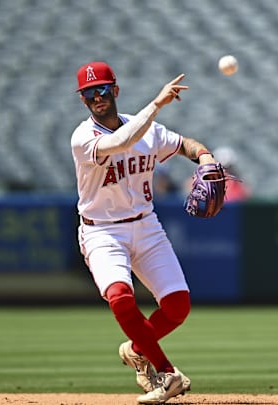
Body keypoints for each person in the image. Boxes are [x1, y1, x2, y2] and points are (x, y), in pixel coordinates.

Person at [71, 61, 219, 404]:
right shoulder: (83, 137)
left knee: (178, 306)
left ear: (115, 91)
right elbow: (123, 140)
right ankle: (168, 374)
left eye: (103, 89)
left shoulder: (150, 130)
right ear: (83, 99)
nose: (97, 97)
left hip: (145, 225)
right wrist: (157, 103)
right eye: (89, 93)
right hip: (102, 231)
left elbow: (185, 144)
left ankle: (137, 350)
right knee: (121, 297)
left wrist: (206, 158)